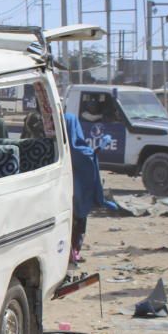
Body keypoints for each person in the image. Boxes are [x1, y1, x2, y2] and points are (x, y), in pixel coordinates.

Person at [66, 112, 115, 264]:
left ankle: (67, 253)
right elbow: (90, 158)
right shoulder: (79, 150)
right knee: (79, 221)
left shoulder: (57, 147)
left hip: (62, 196)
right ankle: (74, 252)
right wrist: (102, 145)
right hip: (78, 196)